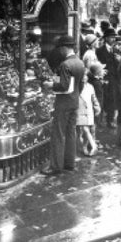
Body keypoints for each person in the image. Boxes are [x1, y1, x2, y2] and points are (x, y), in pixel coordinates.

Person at [41, 35, 85, 176]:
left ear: (64, 48)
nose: (59, 51)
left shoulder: (65, 65)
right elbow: (81, 85)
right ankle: (69, 164)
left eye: (60, 48)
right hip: (74, 102)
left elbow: (64, 86)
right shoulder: (79, 62)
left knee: (58, 134)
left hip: (63, 103)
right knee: (71, 133)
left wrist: (50, 85)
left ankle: (55, 167)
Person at [77, 71, 101, 156]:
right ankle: (94, 146)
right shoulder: (77, 87)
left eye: (86, 76)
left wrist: (97, 106)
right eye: (82, 76)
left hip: (88, 110)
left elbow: (94, 98)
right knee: (85, 129)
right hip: (80, 110)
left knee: (87, 130)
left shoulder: (90, 87)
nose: (84, 78)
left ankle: (84, 147)